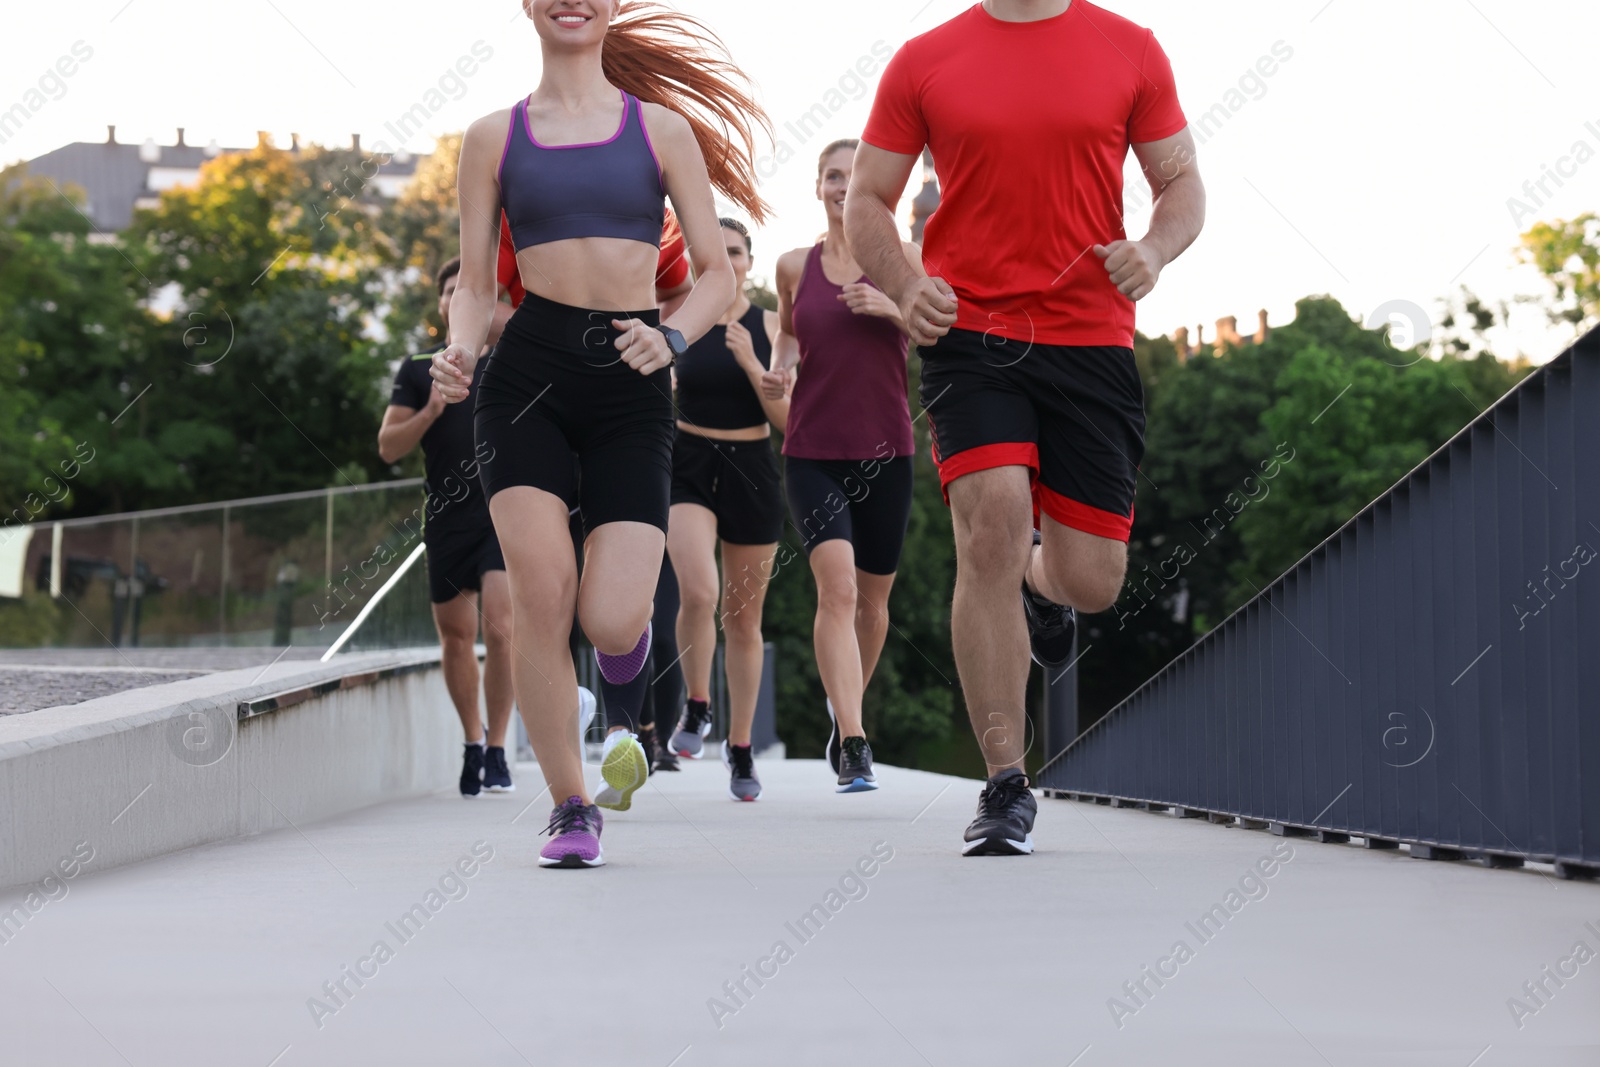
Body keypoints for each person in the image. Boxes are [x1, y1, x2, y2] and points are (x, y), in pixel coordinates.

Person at [846, 0, 1204, 855]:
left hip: (1091, 339)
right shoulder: (925, 59)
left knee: (1093, 579)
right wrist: (904, 282)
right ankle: (1006, 782)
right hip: (972, 336)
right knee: (992, 527)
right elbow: (868, 196)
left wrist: (1153, 249)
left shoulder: (1131, 49)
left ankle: (1043, 590)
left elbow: (1183, 183)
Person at [432, 0, 768, 869]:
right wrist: (459, 349)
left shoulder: (660, 131)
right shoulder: (491, 137)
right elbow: (473, 283)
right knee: (540, 597)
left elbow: (716, 273)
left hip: (633, 378)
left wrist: (676, 337)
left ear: (615, 6)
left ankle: (624, 665)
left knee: (614, 617)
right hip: (527, 380)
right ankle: (572, 806)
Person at [767, 139, 918, 795]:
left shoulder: (903, 260)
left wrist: (895, 306)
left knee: (874, 603)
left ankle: (842, 708)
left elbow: (942, 330)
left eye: (855, 176)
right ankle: (855, 741)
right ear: (818, 186)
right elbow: (788, 331)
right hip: (812, 450)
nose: (842, 185)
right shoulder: (794, 265)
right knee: (839, 588)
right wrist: (781, 366)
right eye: (832, 175)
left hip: (888, 449)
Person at [379, 257, 517, 797]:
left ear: (498, 302)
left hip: (505, 511)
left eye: (474, 288)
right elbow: (388, 448)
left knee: (503, 627)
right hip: (445, 516)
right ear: (443, 305)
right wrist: (432, 410)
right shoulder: (419, 368)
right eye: (451, 290)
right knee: (457, 637)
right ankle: (472, 741)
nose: (462, 295)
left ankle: (502, 747)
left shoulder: (515, 361)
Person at [663, 217, 786, 802]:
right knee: (700, 593)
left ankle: (740, 751)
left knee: (743, 621)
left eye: (735, 252)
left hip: (753, 467)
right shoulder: (679, 319)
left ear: (748, 261)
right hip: (687, 463)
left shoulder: (771, 325)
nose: (726, 260)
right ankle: (696, 705)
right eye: (716, 252)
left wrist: (751, 365)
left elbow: (789, 422)